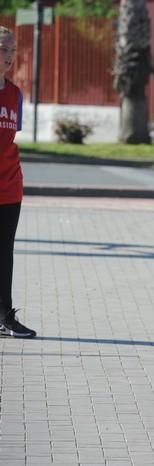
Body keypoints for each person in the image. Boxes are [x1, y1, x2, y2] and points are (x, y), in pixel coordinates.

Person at [0, 27, 35, 338]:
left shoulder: (14, 93)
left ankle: (4, 316)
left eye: (12, 50)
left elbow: (10, 139)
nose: (9, 56)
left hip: (10, 186)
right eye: (2, 49)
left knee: (4, 252)